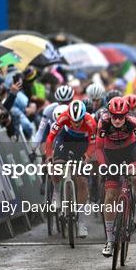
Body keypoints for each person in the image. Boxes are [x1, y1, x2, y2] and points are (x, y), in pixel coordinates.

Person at [95, 97, 136, 257]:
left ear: (126, 115)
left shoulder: (133, 122)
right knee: (110, 196)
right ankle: (109, 239)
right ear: (109, 114)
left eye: (121, 116)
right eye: (114, 116)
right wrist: (103, 165)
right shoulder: (103, 123)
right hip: (111, 154)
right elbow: (98, 149)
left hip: (130, 152)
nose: (118, 120)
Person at [45, 100, 97, 238]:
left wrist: (87, 157)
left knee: (83, 182)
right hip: (65, 140)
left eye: (79, 121)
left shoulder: (91, 121)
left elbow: (93, 143)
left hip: (83, 144)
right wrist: (49, 155)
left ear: (84, 116)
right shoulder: (63, 116)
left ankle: (81, 222)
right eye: (73, 121)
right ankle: (56, 192)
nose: (76, 124)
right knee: (56, 167)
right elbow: (50, 138)